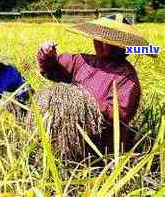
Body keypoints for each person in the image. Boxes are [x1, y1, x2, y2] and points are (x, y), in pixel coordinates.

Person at [37, 14, 157, 152]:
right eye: (100, 38)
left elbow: (119, 113)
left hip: (103, 147)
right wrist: (47, 55)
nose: (103, 43)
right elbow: (51, 69)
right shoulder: (82, 61)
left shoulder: (127, 76)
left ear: (123, 45)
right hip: (72, 138)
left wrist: (79, 104)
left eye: (110, 40)